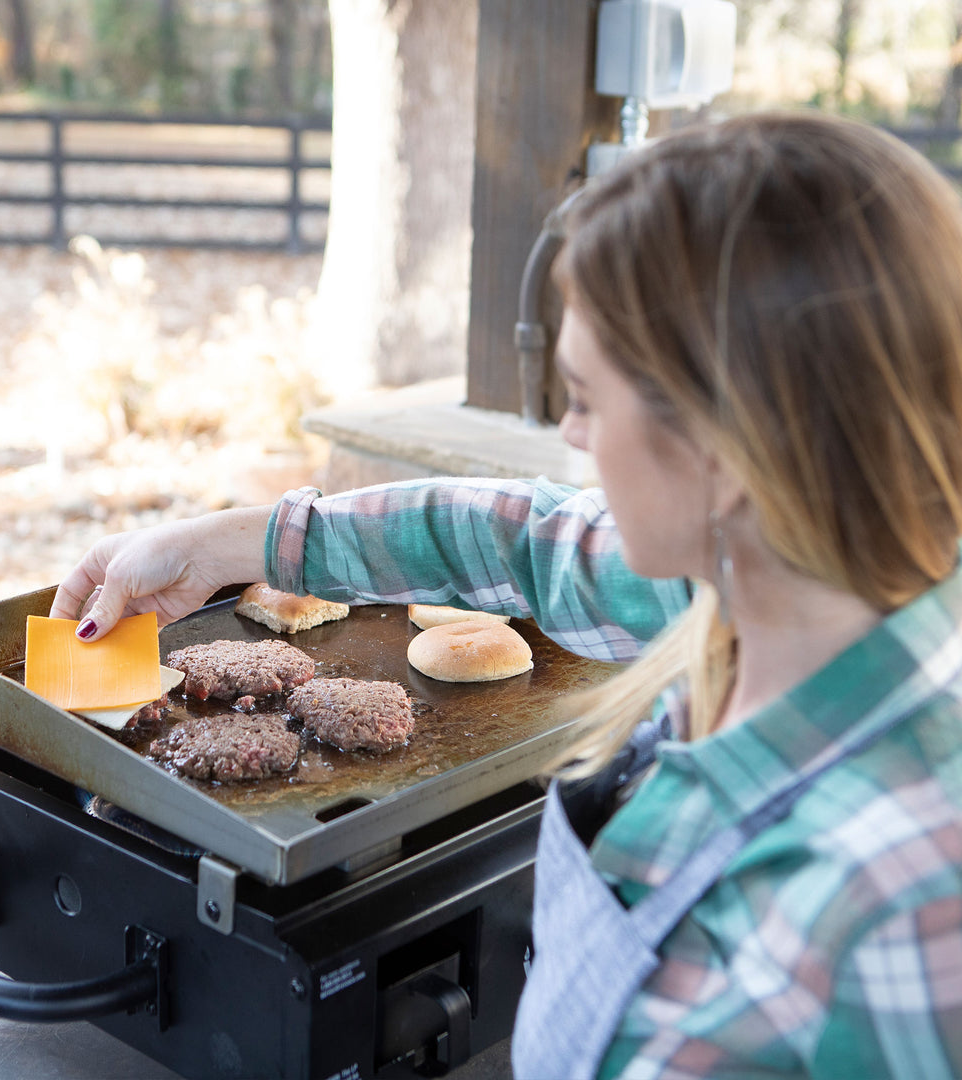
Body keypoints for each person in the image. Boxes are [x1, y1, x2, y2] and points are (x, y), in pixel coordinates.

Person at [50, 111, 962, 1078]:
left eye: (586, 397)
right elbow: (518, 539)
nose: (571, 437)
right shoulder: (785, 585)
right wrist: (220, 544)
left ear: (726, 454)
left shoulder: (894, 909)